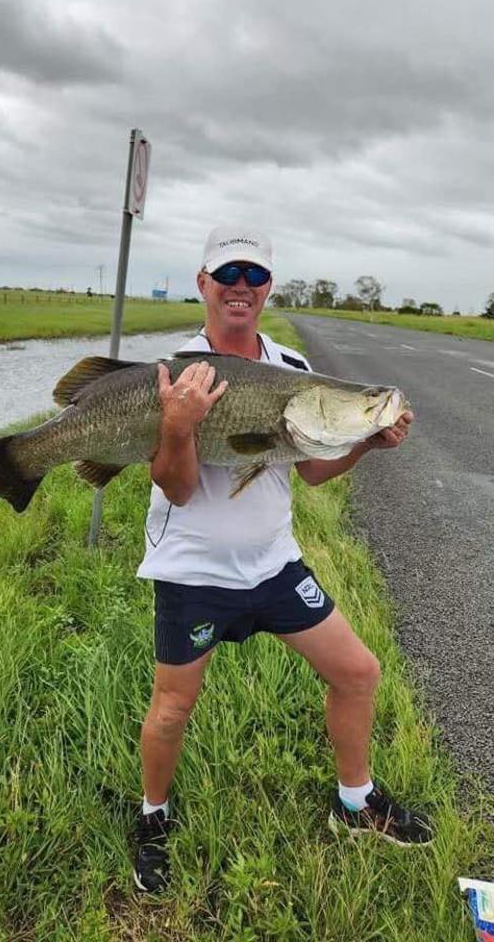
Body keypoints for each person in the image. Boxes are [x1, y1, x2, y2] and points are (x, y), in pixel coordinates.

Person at [132, 226, 432, 893]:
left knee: (357, 672)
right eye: (228, 274)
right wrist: (178, 427)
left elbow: (315, 471)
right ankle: (153, 819)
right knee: (174, 705)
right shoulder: (175, 371)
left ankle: (355, 803)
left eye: (255, 276)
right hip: (194, 574)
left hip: (273, 566)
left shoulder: (292, 370)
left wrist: (365, 443)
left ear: (268, 288)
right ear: (204, 283)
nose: (241, 287)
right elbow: (177, 488)